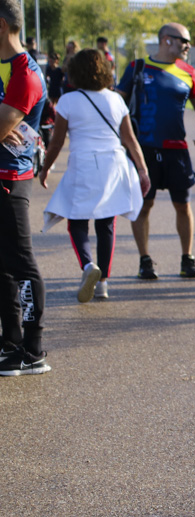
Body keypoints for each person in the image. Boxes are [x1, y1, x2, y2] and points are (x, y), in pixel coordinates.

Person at [38, 49, 150, 302]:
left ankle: (89, 266)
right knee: (106, 223)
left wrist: (45, 169)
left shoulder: (68, 101)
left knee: (76, 221)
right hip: (114, 162)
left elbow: (55, 144)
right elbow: (131, 141)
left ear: (75, 72)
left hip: (83, 163)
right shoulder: (115, 100)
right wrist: (143, 171)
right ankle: (103, 283)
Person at [117, 22, 195, 280]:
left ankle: (187, 259)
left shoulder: (190, 72)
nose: (187, 46)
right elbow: (117, 103)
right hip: (144, 149)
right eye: (184, 41)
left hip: (176, 150)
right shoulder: (137, 68)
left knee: (183, 205)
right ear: (167, 40)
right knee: (144, 205)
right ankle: (145, 260)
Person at [0, 0, 50, 376]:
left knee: (21, 263)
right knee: (3, 266)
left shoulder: (26, 74)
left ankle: (32, 350)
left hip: (10, 180)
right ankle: (11, 343)